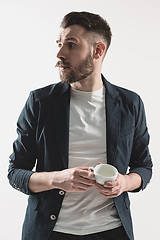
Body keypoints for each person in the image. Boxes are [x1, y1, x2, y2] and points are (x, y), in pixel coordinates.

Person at [8, 11, 153, 240]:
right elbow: (16, 173)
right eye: (59, 44)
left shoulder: (130, 103)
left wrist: (124, 182)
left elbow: (144, 167)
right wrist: (59, 179)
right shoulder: (40, 102)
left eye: (71, 45)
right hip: (50, 232)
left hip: (112, 231)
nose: (60, 53)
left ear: (98, 51)